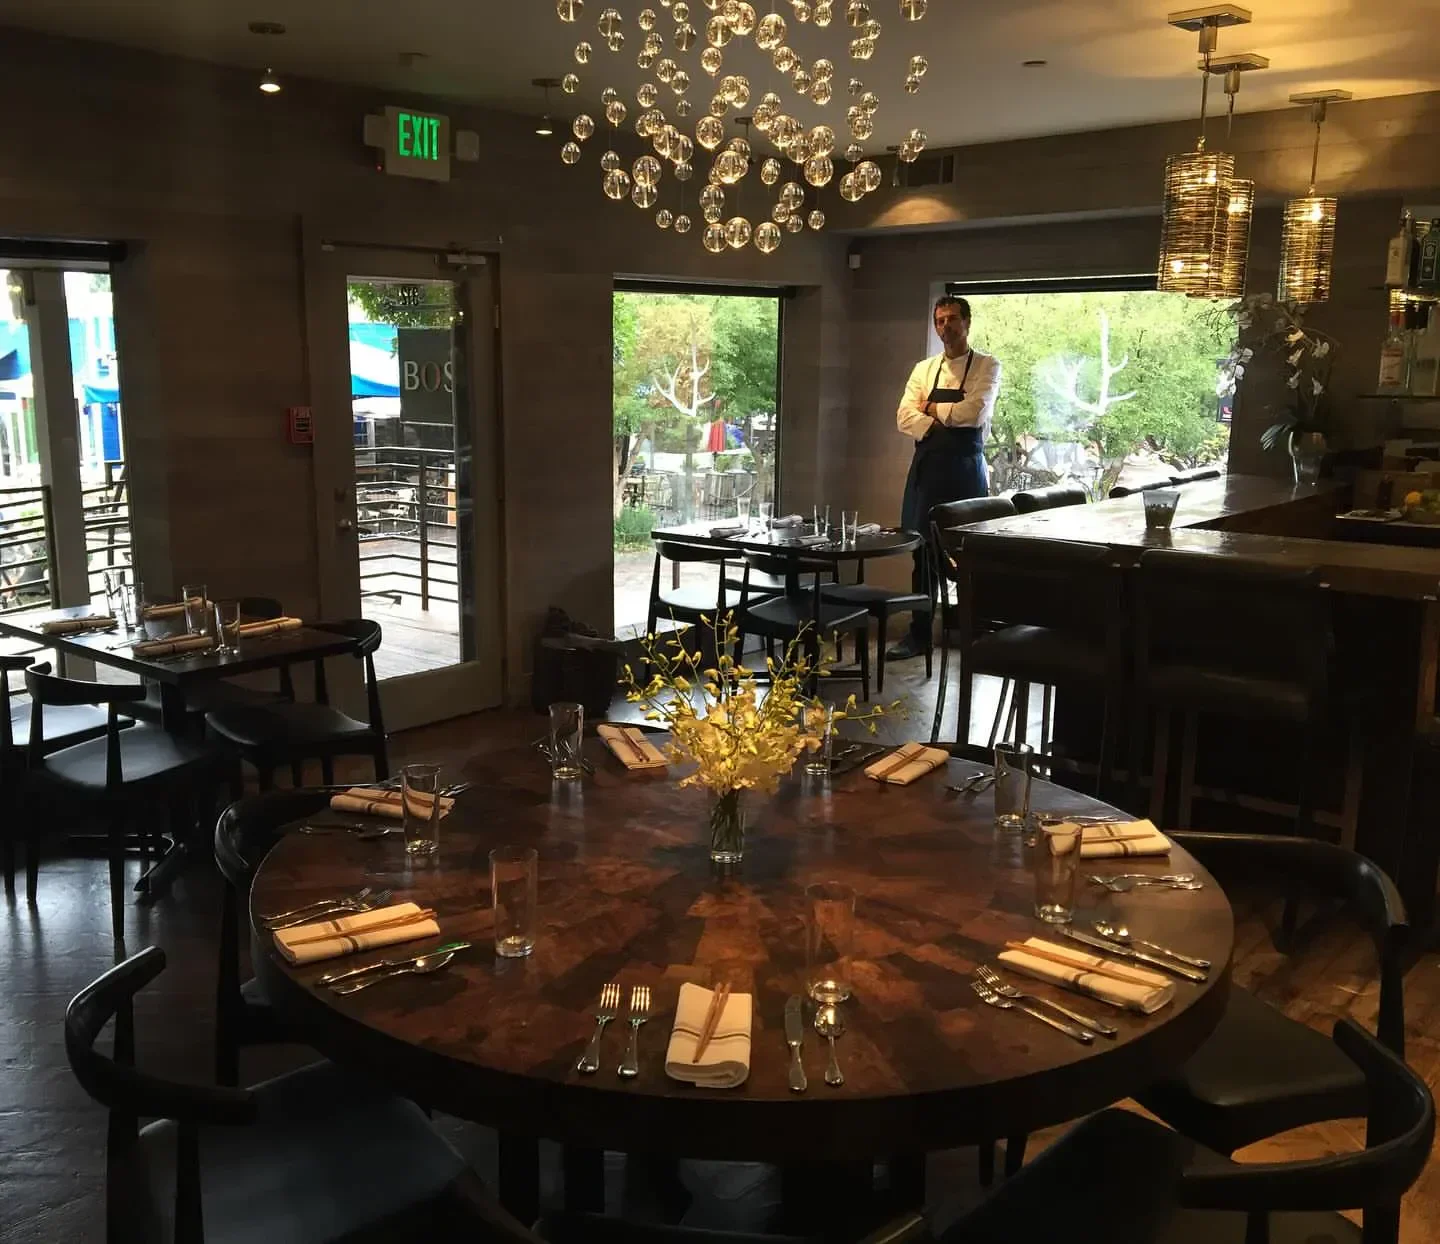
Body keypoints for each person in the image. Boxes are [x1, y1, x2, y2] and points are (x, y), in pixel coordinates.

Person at [886, 295, 1002, 661]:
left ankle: (975, 635)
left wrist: (932, 410)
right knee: (922, 556)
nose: (946, 327)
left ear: (967, 323)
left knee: (966, 555)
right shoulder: (924, 368)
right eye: (940, 321)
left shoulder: (987, 365)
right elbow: (904, 416)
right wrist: (940, 419)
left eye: (952, 319)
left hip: (966, 472)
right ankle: (919, 634)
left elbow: (976, 411)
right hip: (927, 472)